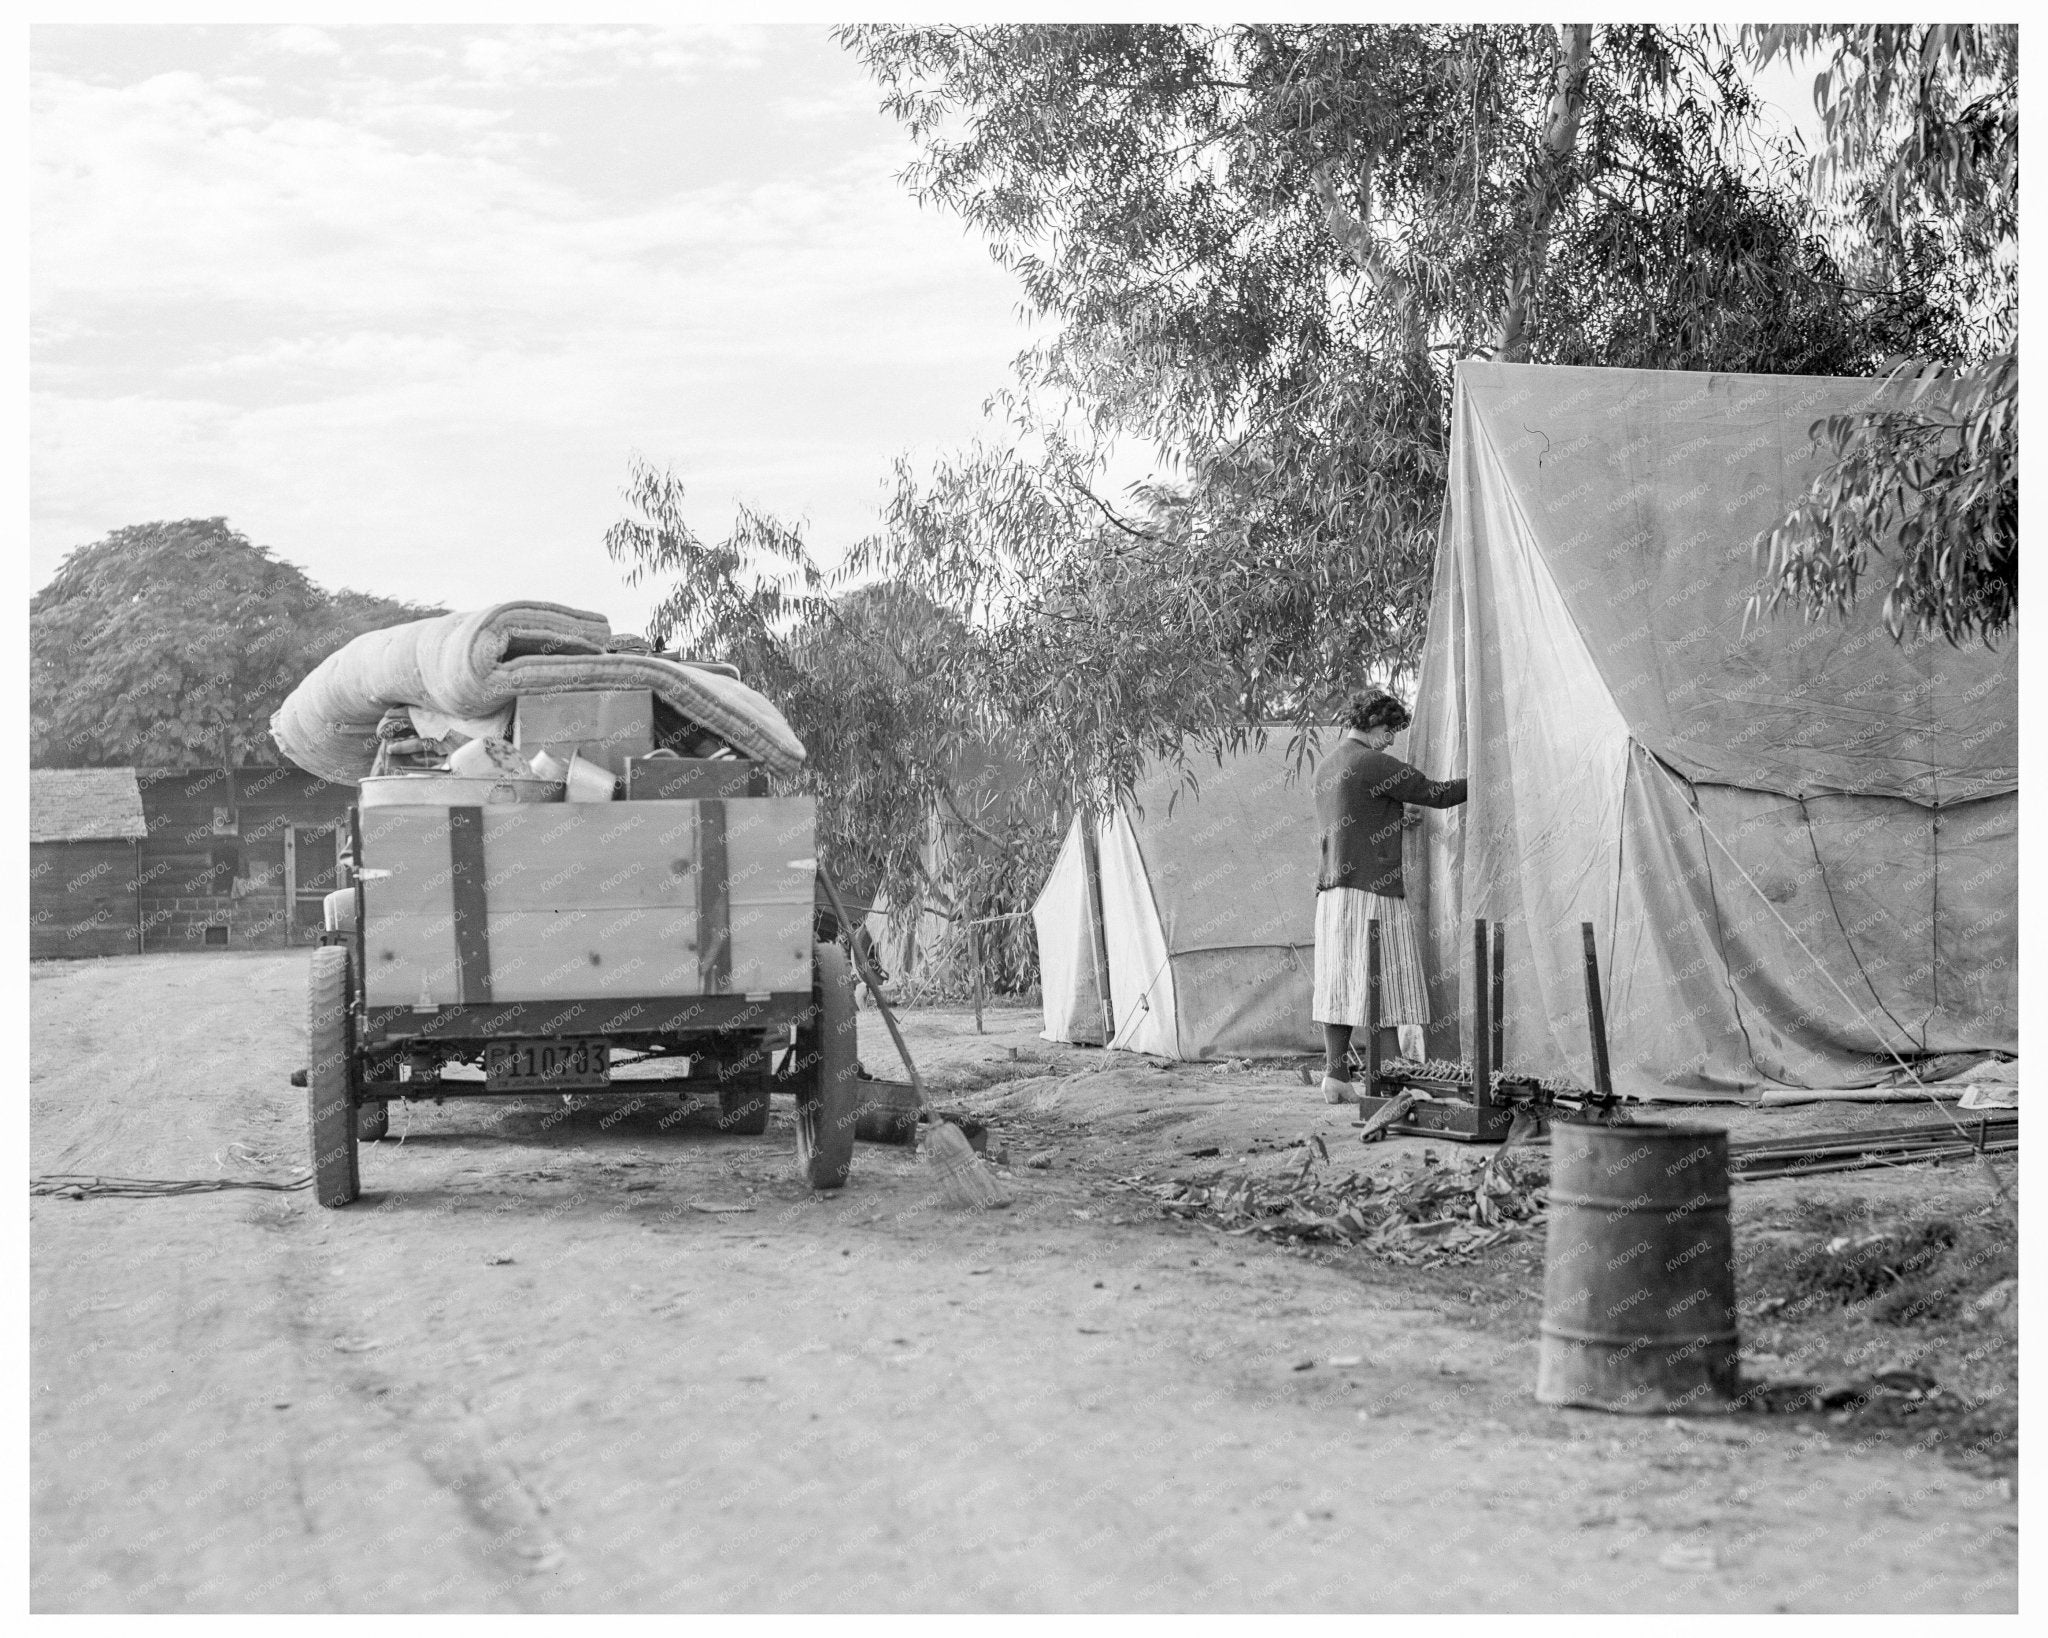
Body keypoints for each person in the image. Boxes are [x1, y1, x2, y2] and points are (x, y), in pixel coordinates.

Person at [1312, 689, 1468, 1103]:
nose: (1392, 739)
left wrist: (1395, 818)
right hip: (1373, 889)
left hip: (1332, 892)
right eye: (1390, 729)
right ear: (1372, 723)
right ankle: (1391, 1074)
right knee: (1386, 980)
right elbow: (1437, 793)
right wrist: (1485, 779)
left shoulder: (1327, 766)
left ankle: (1335, 1076)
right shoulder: (1373, 763)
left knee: (1340, 983)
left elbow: (1355, 819)